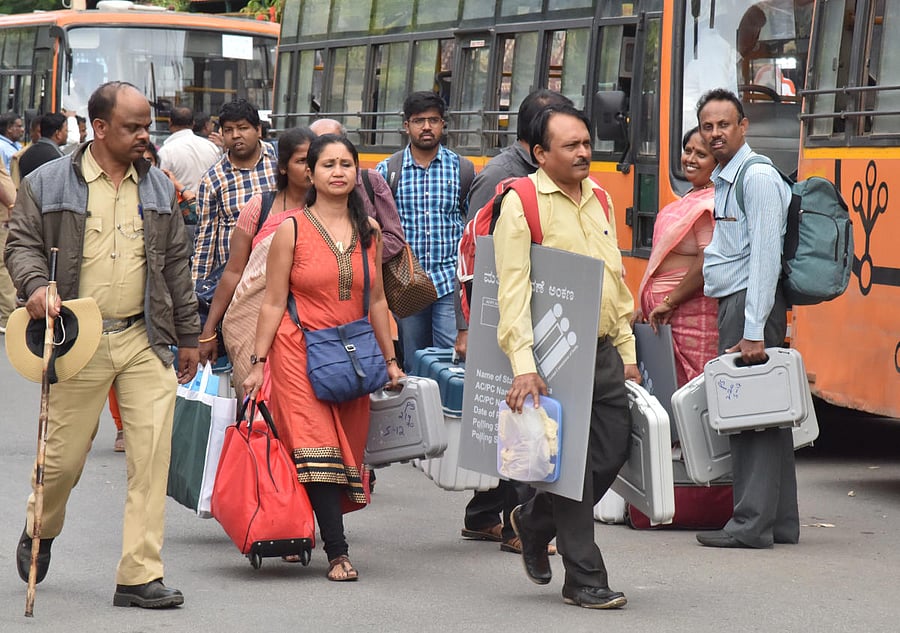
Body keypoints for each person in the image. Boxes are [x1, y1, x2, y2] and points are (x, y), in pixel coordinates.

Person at [5, 81, 200, 608]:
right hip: (76, 338)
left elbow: (176, 265)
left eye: (148, 126)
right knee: (62, 461)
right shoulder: (47, 182)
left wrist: (188, 336)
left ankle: (139, 574)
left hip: (144, 337)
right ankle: (39, 528)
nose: (146, 136)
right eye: (134, 127)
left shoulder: (159, 187)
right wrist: (34, 286)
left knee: (152, 455)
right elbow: (20, 243)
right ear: (100, 127)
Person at [495, 104, 639, 610]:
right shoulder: (522, 204)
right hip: (551, 357)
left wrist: (626, 350)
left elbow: (614, 279)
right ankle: (584, 577)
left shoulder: (599, 196)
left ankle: (533, 522)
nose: (584, 152)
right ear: (540, 153)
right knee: (572, 466)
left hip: (600, 351)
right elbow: (511, 291)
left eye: (586, 142)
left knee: (613, 448)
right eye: (571, 146)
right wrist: (524, 367)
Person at [243, 134, 404, 581]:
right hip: (297, 349)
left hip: (352, 354)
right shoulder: (289, 229)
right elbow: (273, 302)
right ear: (310, 174)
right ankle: (338, 552)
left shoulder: (369, 231)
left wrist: (390, 361)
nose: (338, 172)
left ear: (358, 173)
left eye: (346, 164)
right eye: (328, 164)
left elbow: (376, 302)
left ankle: (302, 527)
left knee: (345, 451)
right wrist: (257, 364)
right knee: (318, 448)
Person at [458, 89, 572, 556]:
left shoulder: (543, 178)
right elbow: (474, 256)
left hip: (536, 313)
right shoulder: (500, 179)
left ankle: (485, 515)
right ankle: (516, 526)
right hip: (502, 318)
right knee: (521, 415)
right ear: (537, 138)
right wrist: (469, 328)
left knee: (518, 415)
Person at [694, 88, 798, 549]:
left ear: (743, 126)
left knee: (749, 416)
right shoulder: (727, 177)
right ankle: (779, 523)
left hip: (749, 308)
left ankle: (750, 525)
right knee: (768, 415)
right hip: (743, 306)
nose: (714, 134)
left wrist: (753, 330)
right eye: (707, 126)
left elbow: (764, 261)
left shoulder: (754, 178)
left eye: (723, 125)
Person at [198, 127, 317, 390]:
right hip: (250, 324)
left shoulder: (330, 211)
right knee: (260, 409)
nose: (310, 168)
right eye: (301, 161)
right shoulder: (260, 207)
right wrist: (209, 330)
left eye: (315, 161)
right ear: (283, 167)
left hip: (309, 331)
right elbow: (233, 272)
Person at [375, 91, 473, 371]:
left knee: (449, 361)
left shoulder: (462, 169)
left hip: (448, 282)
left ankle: (447, 414)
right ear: (407, 126)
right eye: (419, 120)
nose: (427, 127)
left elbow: (472, 227)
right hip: (406, 283)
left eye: (433, 120)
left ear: (444, 124)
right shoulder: (388, 171)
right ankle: (418, 414)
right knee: (416, 359)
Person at [636, 126, 719, 386]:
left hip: (692, 322)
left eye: (701, 154)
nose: (690, 159)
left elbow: (707, 259)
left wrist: (670, 301)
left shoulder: (710, 203)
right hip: (666, 322)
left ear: (718, 163)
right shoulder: (691, 197)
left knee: (691, 399)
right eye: (687, 151)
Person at [192, 98, 278, 281]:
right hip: (235, 281)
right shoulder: (212, 180)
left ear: (258, 130)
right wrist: (197, 290)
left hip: (278, 275)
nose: (236, 135)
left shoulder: (280, 163)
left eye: (243, 128)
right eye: (229, 130)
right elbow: (205, 240)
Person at [310, 118, 406, 260]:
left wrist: (354, 258)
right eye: (320, 144)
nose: (337, 173)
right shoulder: (301, 186)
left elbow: (394, 238)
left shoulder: (371, 181)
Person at [157, 106, 221, 195]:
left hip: (180, 206)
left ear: (170, 123)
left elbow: (159, 185)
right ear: (193, 123)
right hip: (209, 204)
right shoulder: (211, 147)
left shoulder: (166, 152)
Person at [17, 113, 69, 180]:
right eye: (66, 130)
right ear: (58, 134)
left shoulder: (25, 154)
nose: (67, 134)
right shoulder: (57, 158)